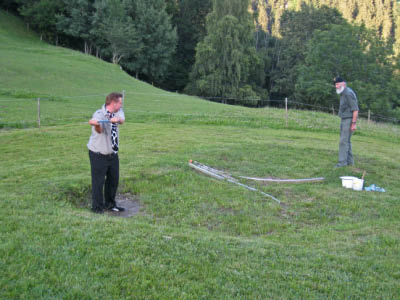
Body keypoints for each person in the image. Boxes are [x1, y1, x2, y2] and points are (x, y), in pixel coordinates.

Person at [87, 92, 126, 213]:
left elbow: (122, 120)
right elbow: (99, 130)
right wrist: (97, 125)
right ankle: (97, 208)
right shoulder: (99, 114)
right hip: (98, 153)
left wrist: (117, 119)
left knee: (113, 179)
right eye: (120, 102)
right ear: (113, 103)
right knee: (98, 181)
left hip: (112, 153)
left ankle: (110, 204)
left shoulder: (118, 111)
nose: (121, 104)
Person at [334, 77, 359, 167]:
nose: (336, 86)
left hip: (349, 120)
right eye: (335, 85)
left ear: (343, 84)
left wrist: (353, 123)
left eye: (338, 84)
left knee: (343, 142)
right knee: (346, 141)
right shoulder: (343, 93)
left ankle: (342, 163)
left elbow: (355, 110)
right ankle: (350, 162)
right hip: (344, 119)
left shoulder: (348, 93)